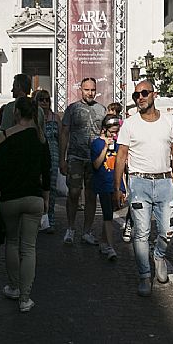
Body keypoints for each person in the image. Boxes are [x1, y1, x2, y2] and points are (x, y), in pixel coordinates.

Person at [114, 79, 173, 297]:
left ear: (154, 94)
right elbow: (121, 156)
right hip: (139, 182)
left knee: (167, 230)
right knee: (141, 233)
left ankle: (160, 255)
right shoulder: (130, 124)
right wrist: (118, 187)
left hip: (164, 182)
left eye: (144, 93)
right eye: (136, 95)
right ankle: (144, 275)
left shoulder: (170, 122)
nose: (140, 98)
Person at [0, 96, 51, 313]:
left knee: (13, 243)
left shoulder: (4, 136)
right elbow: (47, 170)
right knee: (29, 248)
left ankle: (14, 287)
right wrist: (46, 197)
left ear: (16, 113)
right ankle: (25, 298)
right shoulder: (40, 138)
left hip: (10, 198)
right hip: (34, 197)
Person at [59, 77, 107, 245]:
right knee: (73, 193)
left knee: (91, 196)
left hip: (94, 159)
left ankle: (87, 231)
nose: (90, 93)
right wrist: (62, 159)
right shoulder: (72, 109)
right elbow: (64, 133)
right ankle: (70, 228)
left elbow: (106, 134)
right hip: (75, 157)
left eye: (93, 90)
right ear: (81, 89)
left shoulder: (102, 110)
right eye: (87, 89)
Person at [90, 114, 123, 261]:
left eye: (116, 132)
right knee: (108, 215)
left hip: (115, 184)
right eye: (112, 132)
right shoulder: (97, 143)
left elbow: (121, 167)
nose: (114, 135)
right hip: (103, 183)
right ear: (105, 129)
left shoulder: (119, 144)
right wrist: (105, 147)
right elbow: (96, 165)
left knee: (111, 212)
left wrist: (123, 187)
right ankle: (111, 246)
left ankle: (104, 241)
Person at [36, 90, 60, 233]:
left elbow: (62, 138)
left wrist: (62, 157)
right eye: (41, 99)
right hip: (38, 153)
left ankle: (50, 218)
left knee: (51, 187)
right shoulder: (33, 118)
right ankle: (38, 218)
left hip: (53, 153)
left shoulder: (55, 117)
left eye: (46, 99)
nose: (44, 102)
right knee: (38, 186)